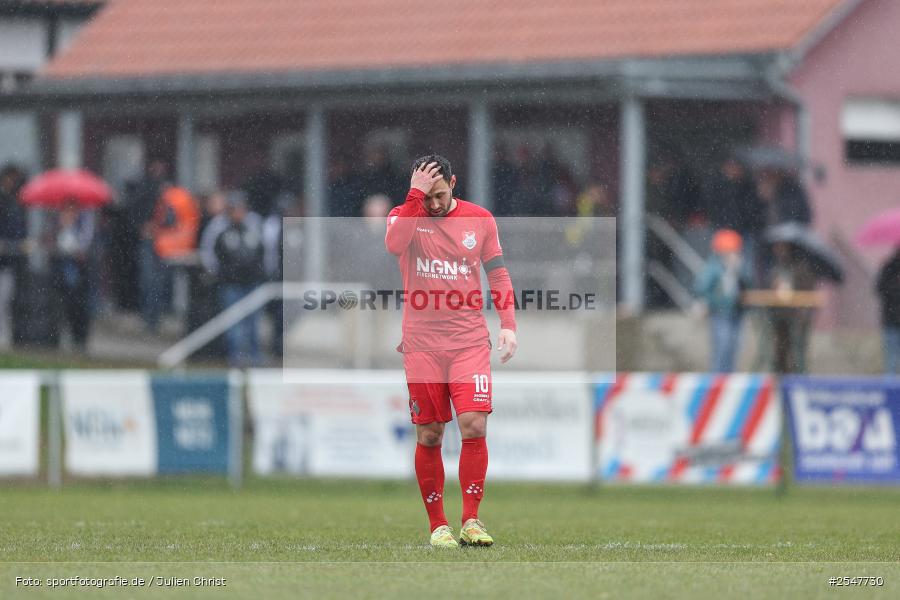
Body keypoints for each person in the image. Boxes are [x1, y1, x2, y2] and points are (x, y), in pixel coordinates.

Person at [385, 154, 517, 549]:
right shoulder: (403, 216)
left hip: (468, 341)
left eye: (440, 195)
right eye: (428, 197)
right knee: (430, 433)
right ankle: (438, 525)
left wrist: (508, 324)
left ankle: (471, 520)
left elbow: (498, 273)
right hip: (422, 343)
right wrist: (415, 196)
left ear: (454, 183)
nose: (435, 204)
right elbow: (394, 245)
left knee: (474, 424)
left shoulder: (480, 219)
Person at [203, 191, 265, 367]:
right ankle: (235, 358)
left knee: (253, 322)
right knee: (233, 322)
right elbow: (208, 251)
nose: (238, 212)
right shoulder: (219, 226)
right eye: (234, 209)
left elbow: (264, 250)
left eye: (241, 208)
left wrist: (262, 271)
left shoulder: (255, 224)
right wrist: (218, 272)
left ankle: (255, 356)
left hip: (252, 281)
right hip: (230, 283)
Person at [694, 230, 750, 373]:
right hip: (720, 312)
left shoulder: (740, 267)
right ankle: (718, 377)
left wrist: (738, 271)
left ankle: (729, 376)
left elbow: (747, 285)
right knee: (722, 346)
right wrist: (711, 302)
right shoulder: (714, 268)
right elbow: (701, 288)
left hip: (736, 313)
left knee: (735, 346)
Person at [51, 200, 95, 351]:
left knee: (78, 307)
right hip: (61, 272)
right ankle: (58, 339)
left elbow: (83, 250)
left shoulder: (84, 224)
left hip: (78, 273)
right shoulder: (56, 224)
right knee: (61, 307)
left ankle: (79, 340)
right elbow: (52, 245)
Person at [0, 164, 27, 347]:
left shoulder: (16, 201)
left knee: (6, 300)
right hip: (5, 258)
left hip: (9, 260)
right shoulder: (6, 201)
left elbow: (17, 229)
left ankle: (5, 336)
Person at [876, 248, 900, 374]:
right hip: (891, 320)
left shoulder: (888, 267)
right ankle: (891, 389)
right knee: (891, 358)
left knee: (891, 357)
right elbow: (880, 288)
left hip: (890, 319)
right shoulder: (889, 268)